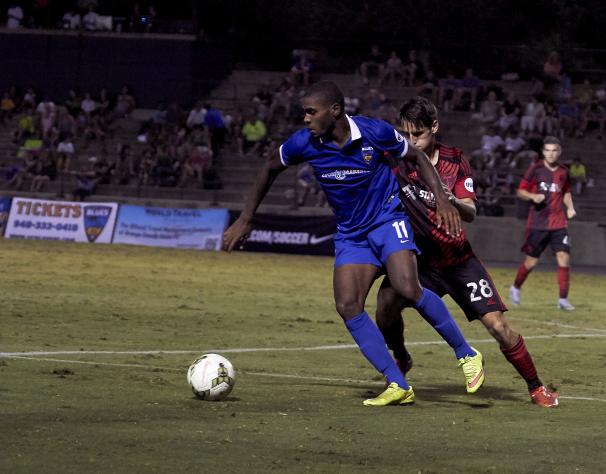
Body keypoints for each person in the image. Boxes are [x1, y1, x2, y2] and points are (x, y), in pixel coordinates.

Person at [223, 81, 484, 406]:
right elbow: (269, 168)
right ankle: (398, 384)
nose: (305, 118)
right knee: (348, 305)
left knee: (406, 286)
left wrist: (444, 202)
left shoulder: (375, 132)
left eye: (310, 112)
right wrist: (246, 218)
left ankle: (466, 352)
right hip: (351, 233)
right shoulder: (302, 143)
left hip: (388, 221)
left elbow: (416, 156)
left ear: (334, 111)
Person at [375, 96, 559, 407]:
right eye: (405, 134)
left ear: (434, 127)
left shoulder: (455, 161)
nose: (411, 141)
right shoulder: (398, 158)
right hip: (420, 262)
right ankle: (402, 356)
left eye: (417, 134)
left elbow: (471, 211)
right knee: (384, 308)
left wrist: (452, 200)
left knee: (498, 326)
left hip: (459, 261)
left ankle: (536, 387)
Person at [509, 136, 576, 310]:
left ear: (559, 152)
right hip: (538, 223)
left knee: (563, 258)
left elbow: (566, 192)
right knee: (531, 262)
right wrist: (532, 196)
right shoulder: (535, 170)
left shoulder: (564, 171)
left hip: (559, 223)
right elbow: (520, 191)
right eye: (547, 150)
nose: (551, 154)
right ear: (543, 152)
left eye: (554, 150)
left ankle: (563, 300)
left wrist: (570, 208)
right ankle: (515, 287)